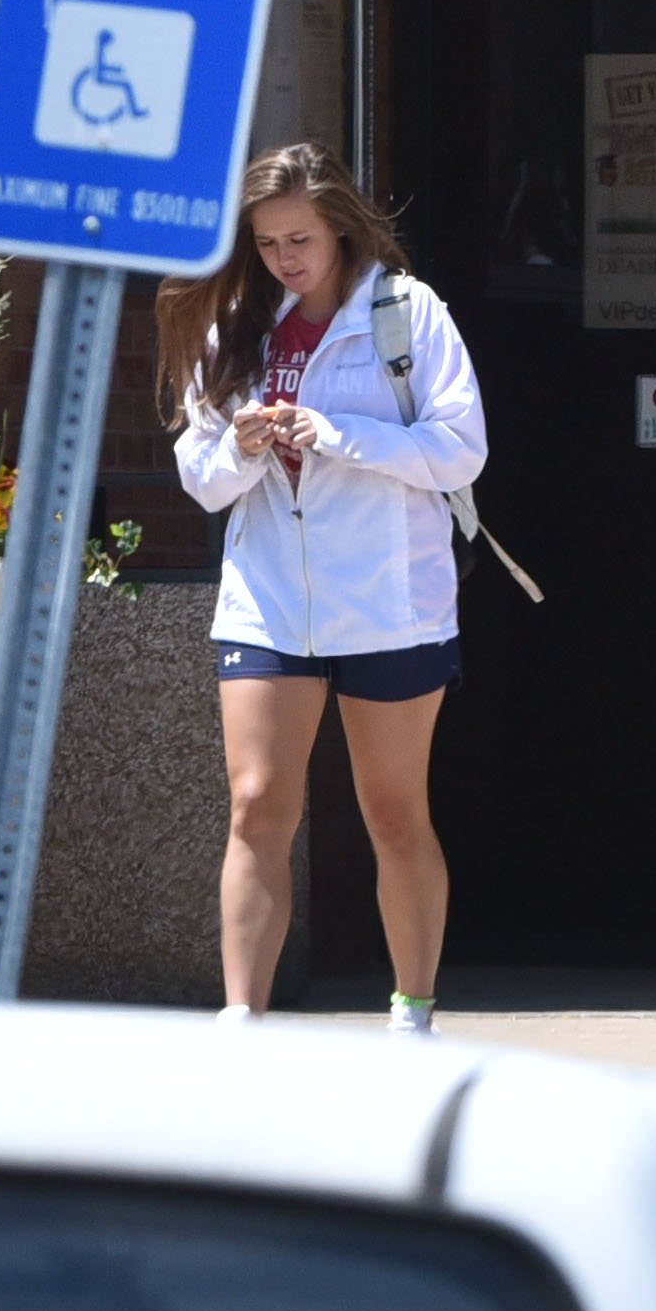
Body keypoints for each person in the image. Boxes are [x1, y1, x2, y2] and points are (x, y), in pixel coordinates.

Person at [167, 147, 486, 1031]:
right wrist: (242, 445)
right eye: (267, 243)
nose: (285, 259)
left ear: (340, 226)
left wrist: (336, 433)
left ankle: (412, 1009)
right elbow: (200, 477)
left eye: (300, 238)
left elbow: (462, 448)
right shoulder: (236, 321)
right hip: (269, 595)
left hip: (389, 597)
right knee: (259, 799)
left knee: (392, 810)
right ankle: (241, 1022)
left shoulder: (405, 312)